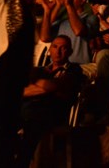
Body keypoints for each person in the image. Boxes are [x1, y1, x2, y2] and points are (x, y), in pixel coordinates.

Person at [18, 35, 83, 168]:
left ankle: (21, 162)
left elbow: (54, 86)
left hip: (55, 113)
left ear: (70, 52)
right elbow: (22, 91)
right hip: (30, 110)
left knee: (31, 118)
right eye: (55, 47)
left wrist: (38, 85)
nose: (58, 51)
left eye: (63, 48)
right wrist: (45, 86)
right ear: (49, 50)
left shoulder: (74, 70)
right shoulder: (39, 70)